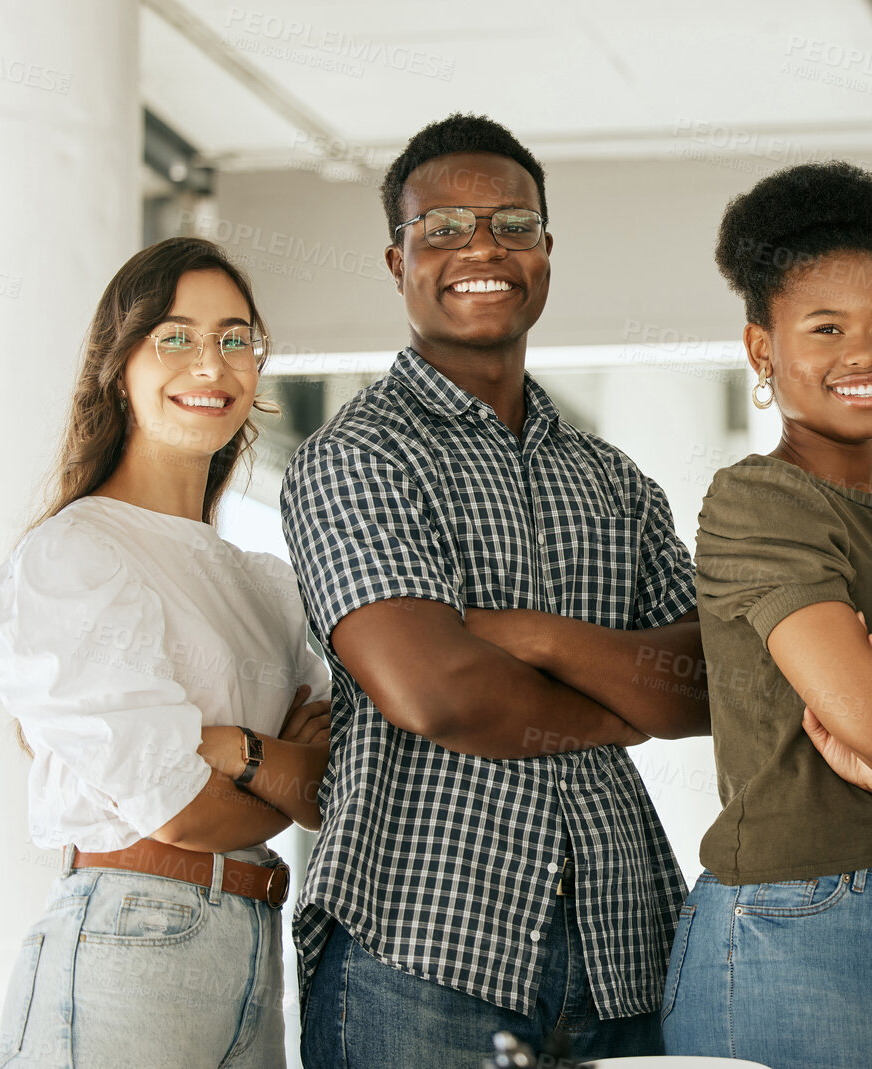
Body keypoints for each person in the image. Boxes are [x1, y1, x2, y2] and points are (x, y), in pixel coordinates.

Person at [281, 114, 710, 1066]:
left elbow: (704, 687)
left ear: (546, 255)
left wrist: (538, 639)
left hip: (623, 952)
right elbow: (436, 691)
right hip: (422, 954)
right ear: (397, 261)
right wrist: (614, 704)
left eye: (513, 225)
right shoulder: (353, 457)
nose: (481, 246)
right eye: (442, 228)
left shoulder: (615, 482)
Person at [660, 161, 872, 1069]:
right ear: (762, 350)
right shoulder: (759, 500)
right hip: (788, 936)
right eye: (826, 328)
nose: (865, 353)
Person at [0, 237, 334, 1068]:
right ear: (120, 363)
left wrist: (226, 748)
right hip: (128, 937)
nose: (210, 363)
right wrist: (269, 761)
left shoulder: (270, 584)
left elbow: (331, 786)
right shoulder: (78, 554)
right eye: (174, 336)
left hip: (253, 942)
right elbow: (178, 808)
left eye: (235, 338)